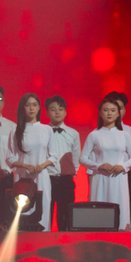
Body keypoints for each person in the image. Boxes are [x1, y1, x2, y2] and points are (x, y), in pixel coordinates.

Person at [81, 95, 131, 230]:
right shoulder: (94, 135)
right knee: (100, 209)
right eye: (106, 110)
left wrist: (123, 166)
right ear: (100, 113)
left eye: (113, 110)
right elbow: (83, 158)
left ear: (118, 113)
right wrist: (98, 166)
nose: (109, 113)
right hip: (100, 178)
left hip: (119, 178)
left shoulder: (125, 135)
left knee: (119, 210)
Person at [6, 93, 55, 230]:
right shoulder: (15, 131)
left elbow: (54, 156)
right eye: (27, 105)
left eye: (34, 105)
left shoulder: (47, 130)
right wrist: (25, 165)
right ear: (22, 108)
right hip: (22, 178)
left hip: (41, 177)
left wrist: (42, 165)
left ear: (39, 107)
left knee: (43, 211)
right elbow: (10, 158)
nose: (31, 108)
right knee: (22, 211)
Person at [45, 96, 83, 232]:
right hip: (47, 179)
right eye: (53, 109)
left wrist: (71, 174)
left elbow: (76, 158)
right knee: (45, 215)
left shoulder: (73, 133)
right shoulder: (42, 132)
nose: (57, 112)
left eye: (60, 109)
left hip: (65, 181)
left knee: (65, 217)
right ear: (47, 113)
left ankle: (64, 241)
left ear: (65, 112)